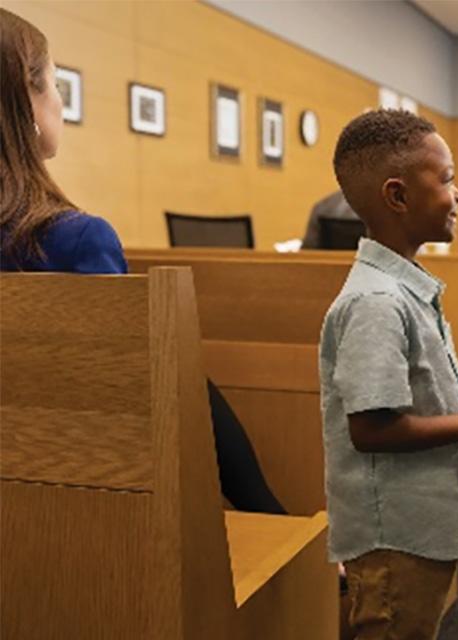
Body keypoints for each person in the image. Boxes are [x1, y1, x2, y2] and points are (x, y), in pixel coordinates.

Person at [0, 7, 284, 515]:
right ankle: (271, 517)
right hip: (73, 500)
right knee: (181, 375)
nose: (60, 101)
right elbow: (129, 400)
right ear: (25, 98)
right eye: (55, 82)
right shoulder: (74, 241)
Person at [323, 109, 458, 639]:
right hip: (394, 538)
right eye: (446, 178)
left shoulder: (402, 289)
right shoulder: (376, 301)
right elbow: (370, 429)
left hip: (416, 532)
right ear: (398, 196)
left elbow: (404, 402)